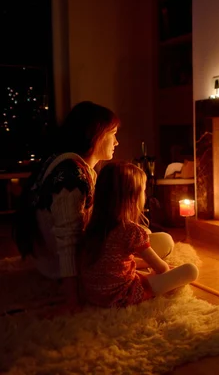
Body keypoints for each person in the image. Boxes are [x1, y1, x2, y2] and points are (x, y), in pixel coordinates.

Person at [13, 101, 174, 309]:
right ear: (96, 136)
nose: (116, 142)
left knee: (140, 235)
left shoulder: (68, 163)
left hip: (73, 256)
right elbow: (67, 242)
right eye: (113, 134)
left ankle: (126, 266)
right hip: (61, 266)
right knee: (164, 243)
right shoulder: (71, 180)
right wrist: (73, 300)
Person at [80, 162, 198, 308]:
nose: (145, 195)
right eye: (143, 191)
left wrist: (146, 265)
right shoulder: (131, 231)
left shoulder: (92, 225)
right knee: (191, 271)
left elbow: (115, 261)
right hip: (120, 295)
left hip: (93, 294)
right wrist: (162, 268)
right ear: (131, 197)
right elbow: (162, 269)